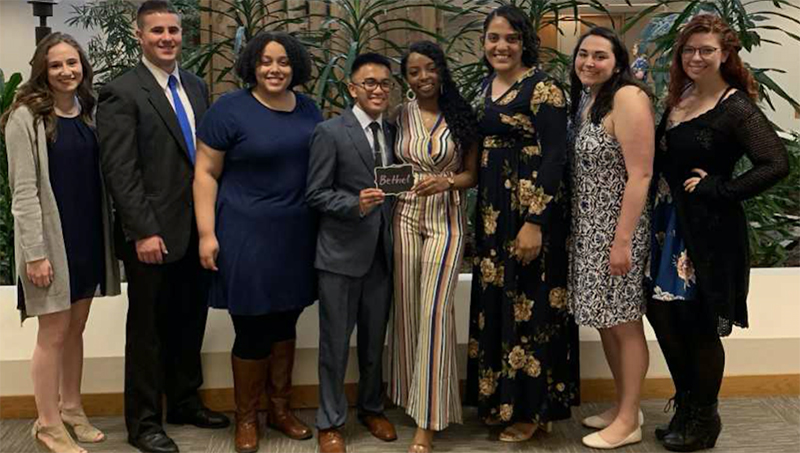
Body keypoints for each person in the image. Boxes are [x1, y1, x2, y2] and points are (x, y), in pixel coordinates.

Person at [646, 14, 789, 452]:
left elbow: (776, 163)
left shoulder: (735, 106)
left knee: (699, 325)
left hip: (706, 232)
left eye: (706, 50)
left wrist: (720, 188)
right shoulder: (680, 97)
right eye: (689, 50)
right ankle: (687, 404)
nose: (696, 57)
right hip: (666, 225)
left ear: (725, 54)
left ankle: (704, 418)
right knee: (662, 316)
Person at [96, 2, 229, 452]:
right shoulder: (121, 92)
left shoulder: (195, 85)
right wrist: (142, 231)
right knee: (148, 333)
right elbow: (121, 170)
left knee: (190, 321)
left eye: (173, 30)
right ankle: (144, 423)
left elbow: (204, 160)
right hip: (152, 234)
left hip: (196, 228)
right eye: (157, 31)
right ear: (140, 35)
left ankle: (185, 402)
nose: (167, 38)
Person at [193, 31, 320, 453]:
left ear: (295, 67)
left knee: (286, 321)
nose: (275, 69)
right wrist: (207, 234)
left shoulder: (309, 109)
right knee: (251, 325)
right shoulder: (229, 109)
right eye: (266, 61)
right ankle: (246, 418)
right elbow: (205, 173)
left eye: (283, 61)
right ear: (252, 65)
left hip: (296, 235)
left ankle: (280, 411)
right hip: (244, 234)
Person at [465, 4, 579, 444]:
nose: (502, 46)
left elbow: (555, 158)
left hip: (530, 213)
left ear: (524, 42)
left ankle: (534, 410)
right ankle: (501, 402)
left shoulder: (543, 88)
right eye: (494, 38)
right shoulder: (484, 86)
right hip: (493, 214)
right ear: (484, 42)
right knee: (498, 303)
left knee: (531, 307)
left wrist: (535, 222)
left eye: (511, 38)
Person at [2, 32, 121, 453]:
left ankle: (71, 408)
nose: (66, 71)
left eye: (72, 63)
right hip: (50, 243)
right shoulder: (25, 117)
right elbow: (22, 192)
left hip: (87, 236)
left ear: (83, 67)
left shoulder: (88, 111)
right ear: (42, 70)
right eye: (56, 65)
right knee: (52, 334)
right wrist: (34, 254)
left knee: (75, 329)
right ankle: (48, 424)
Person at [388, 40, 480, 453]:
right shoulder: (398, 116)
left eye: (430, 68)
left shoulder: (462, 115)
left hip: (447, 219)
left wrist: (447, 181)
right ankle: (411, 397)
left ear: (441, 69)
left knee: (434, 312)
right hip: (404, 217)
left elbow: (471, 175)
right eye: (414, 72)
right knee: (408, 311)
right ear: (405, 79)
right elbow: (390, 170)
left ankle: (427, 421)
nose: (423, 77)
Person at [567, 27, 654, 450]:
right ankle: (624, 406)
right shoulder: (590, 99)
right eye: (583, 54)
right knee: (606, 320)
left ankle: (629, 419)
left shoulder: (628, 97)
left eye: (600, 55)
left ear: (618, 62)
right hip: (590, 229)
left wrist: (621, 241)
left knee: (625, 322)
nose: (589, 62)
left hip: (618, 228)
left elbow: (641, 174)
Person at [306, 52, 398, 453]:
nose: (378, 90)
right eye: (369, 83)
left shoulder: (393, 131)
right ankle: (329, 421)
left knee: (375, 343)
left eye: (385, 83)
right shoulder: (330, 132)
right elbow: (315, 193)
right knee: (335, 345)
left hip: (383, 254)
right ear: (352, 88)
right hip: (340, 257)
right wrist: (353, 204)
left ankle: (372, 408)